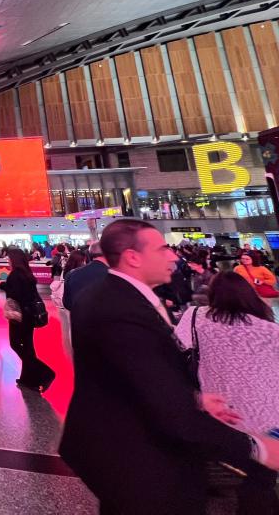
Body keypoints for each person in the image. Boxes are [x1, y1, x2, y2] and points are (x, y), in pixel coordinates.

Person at [60, 219, 279, 514]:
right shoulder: (120, 310)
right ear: (133, 257)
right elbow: (168, 410)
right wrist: (257, 448)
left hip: (120, 453)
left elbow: (130, 376)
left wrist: (195, 399)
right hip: (139, 459)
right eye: (162, 248)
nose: (173, 255)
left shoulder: (111, 296)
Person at [175, 271, 279, 513]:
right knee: (260, 480)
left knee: (220, 458)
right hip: (267, 415)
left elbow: (177, 348)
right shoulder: (271, 330)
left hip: (221, 408)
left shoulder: (195, 317)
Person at [0, 248, 54, 392]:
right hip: (29, 315)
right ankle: (28, 379)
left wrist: (2, 285)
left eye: (9, 258)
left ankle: (45, 372)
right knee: (28, 346)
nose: (7, 260)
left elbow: (16, 295)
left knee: (15, 344)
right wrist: (3, 285)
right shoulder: (26, 273)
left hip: (19, 316)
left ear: (14, 259)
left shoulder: (15, 275)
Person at [62, 241, 109, 311]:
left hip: (78, 318)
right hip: (106, 319)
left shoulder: (72, 274)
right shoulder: (113, 274)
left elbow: (67, 303)